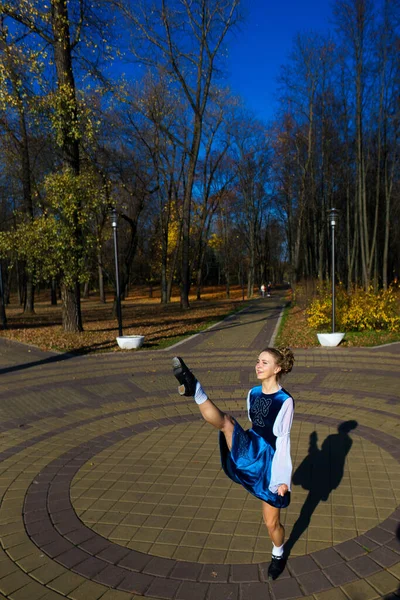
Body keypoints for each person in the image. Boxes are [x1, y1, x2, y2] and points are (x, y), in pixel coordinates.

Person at [172, 347, 295, 580]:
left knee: (272, 524)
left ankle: (278, 553)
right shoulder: (253, 393)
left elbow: (283, 441)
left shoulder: (285, 401)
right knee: (227, 422)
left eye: (265, 362)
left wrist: (282, 480)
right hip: (251, 446)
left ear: (277, 368)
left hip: (269, 461)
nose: (258, 365)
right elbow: (253, 423)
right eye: (258, 361)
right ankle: (195, 387)